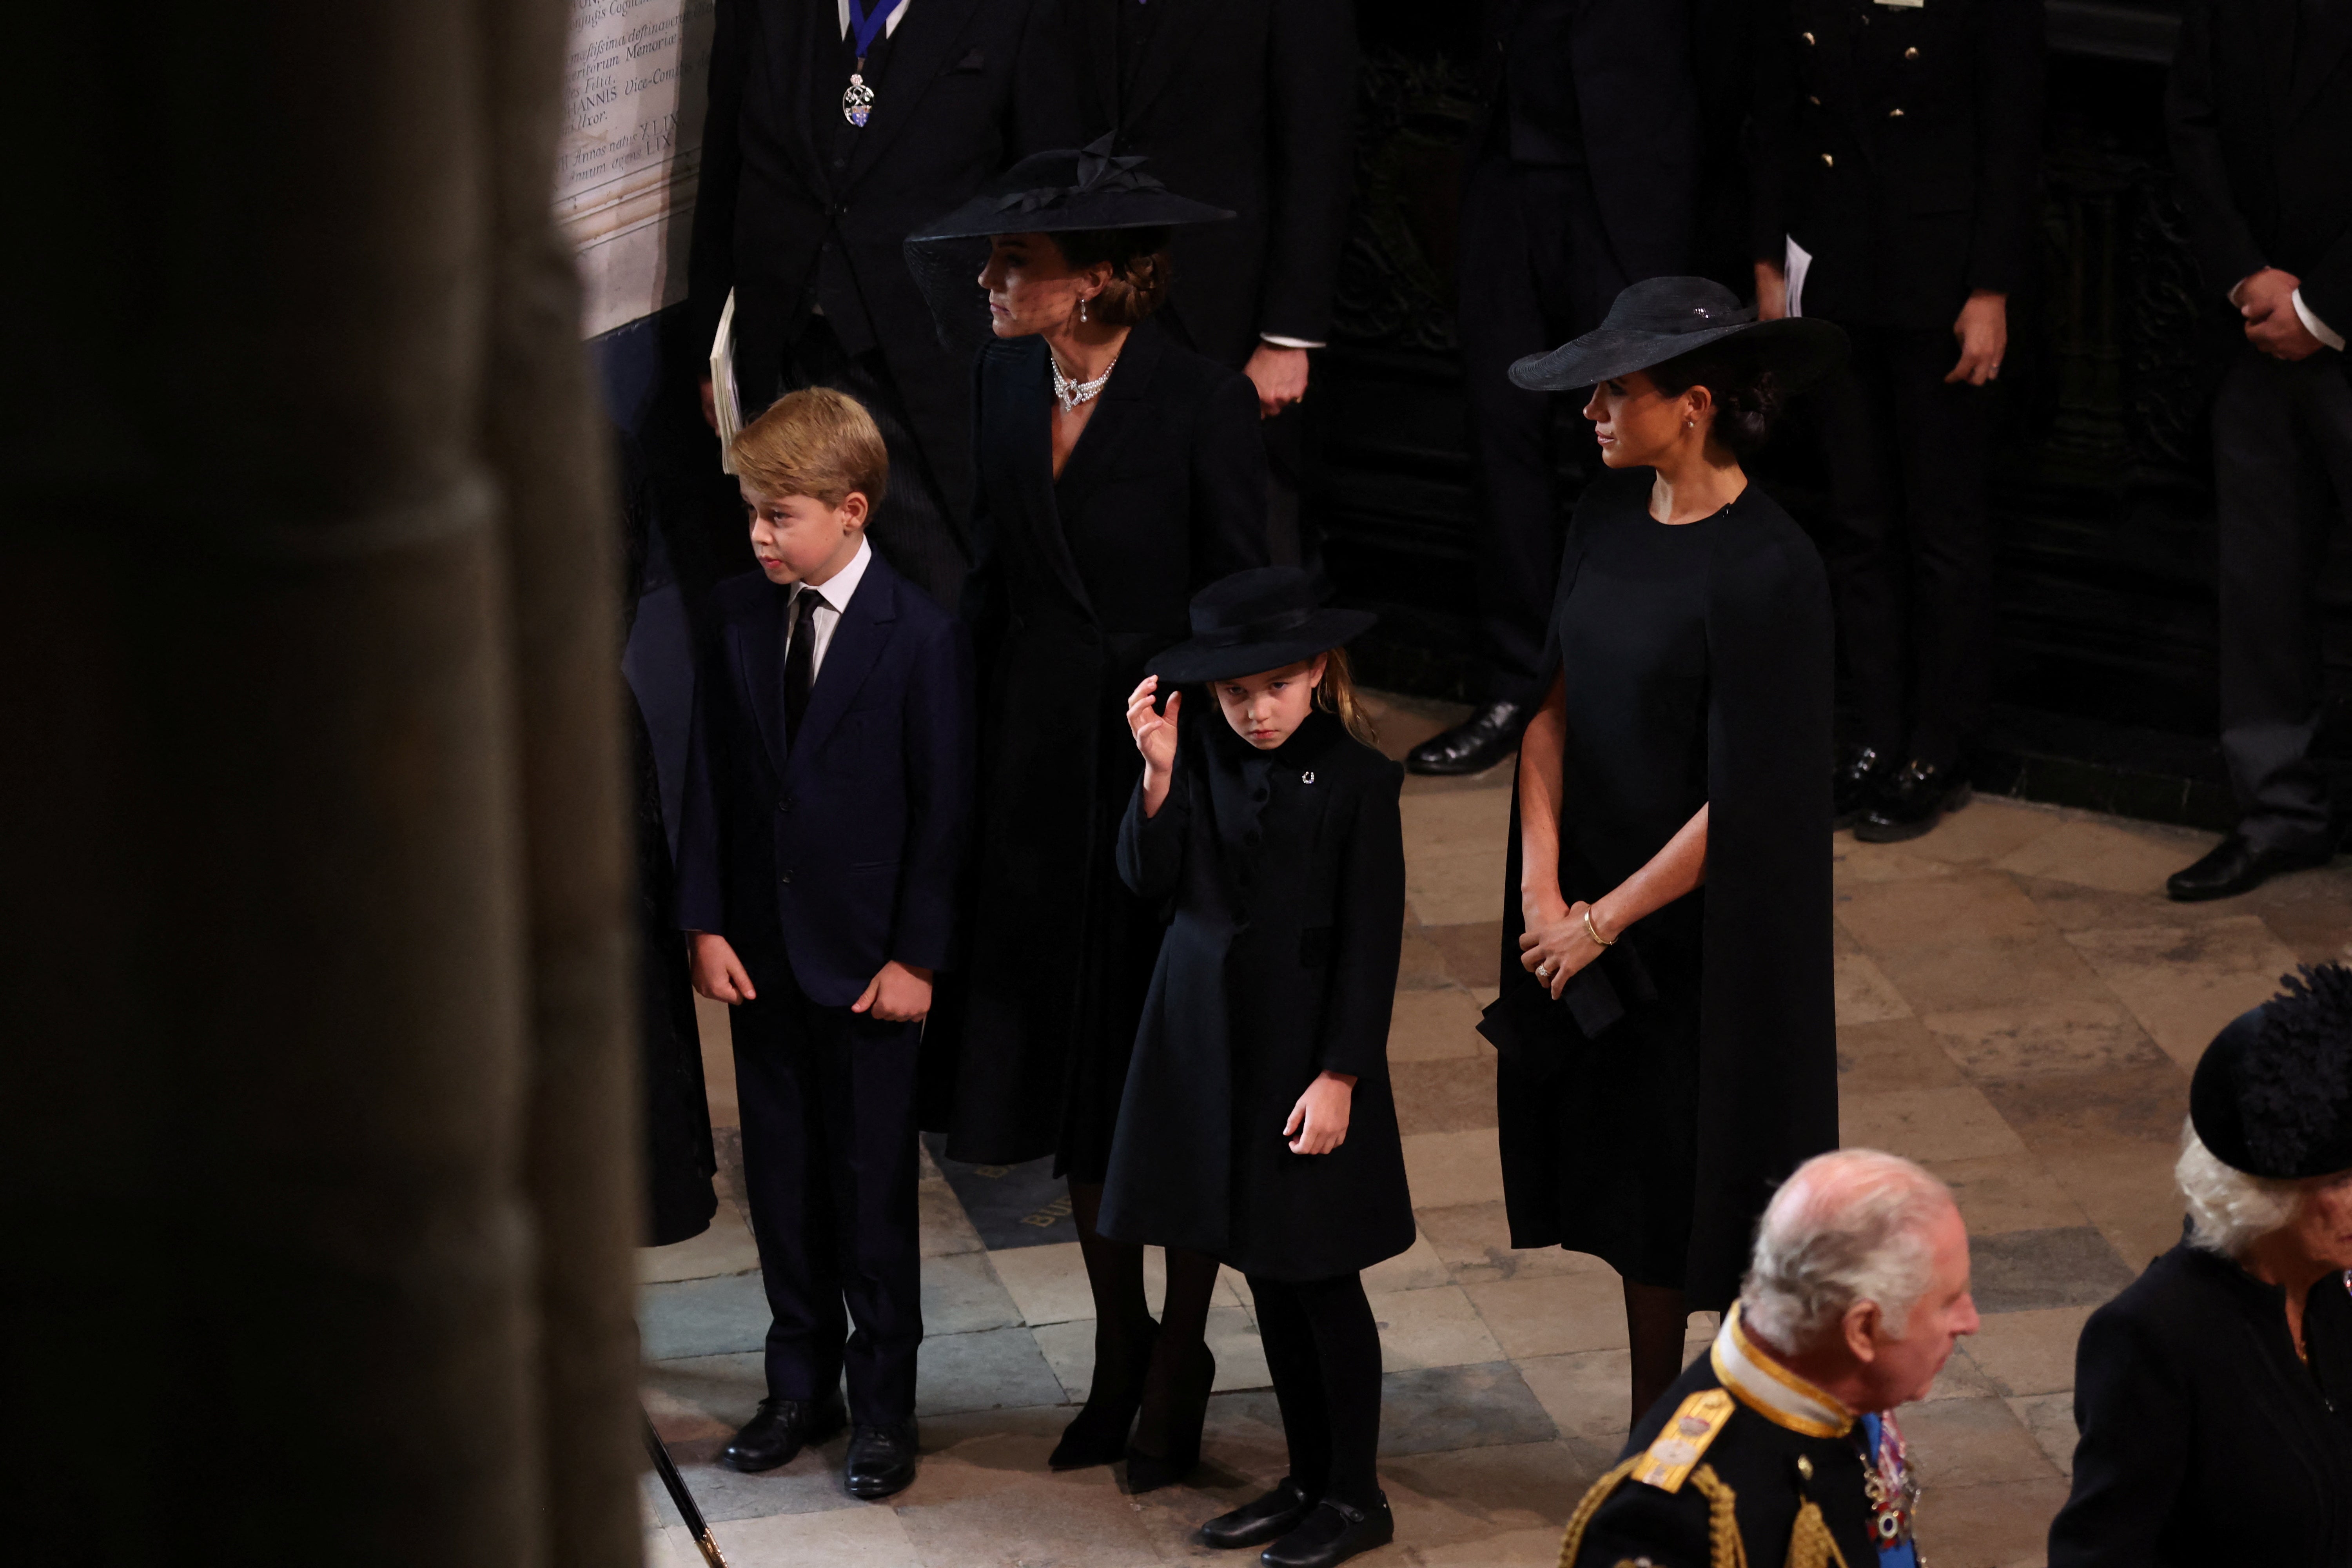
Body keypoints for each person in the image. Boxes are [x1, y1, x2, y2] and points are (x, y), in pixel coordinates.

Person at [908, 146, 1270, 1486]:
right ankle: (1118, 1353)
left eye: (1019, 265)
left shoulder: (1201, 404)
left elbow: (1241, 607)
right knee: (1068, 1080)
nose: (992, 281)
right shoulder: (1003, 375)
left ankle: (1179, 1356)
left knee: (1151, 1079)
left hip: (1151, 781)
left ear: (1100, 283)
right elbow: (997, 578)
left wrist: (1207, 775)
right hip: (1029, 778)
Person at [1485, 276, 1846, 1423]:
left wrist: (1603, 919)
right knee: (1629, 1184)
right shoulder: (1599, 516)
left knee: (1714, 1174)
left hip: (1708, 934)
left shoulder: (1770, 566)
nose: (1591, 409)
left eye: (1613, 390)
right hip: (1590, 897)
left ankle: (1753, 1428)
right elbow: (1544, 705)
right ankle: (1651, 1422)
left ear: (1691, 404)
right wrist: (1542, 888)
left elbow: (1751, 795)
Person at [674, 389, 975, 1499]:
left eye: (779, 514)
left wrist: (917, 958)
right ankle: (796, 1387)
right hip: (763, 958)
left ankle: (884, 1410)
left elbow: (944, 815)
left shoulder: (922, 637)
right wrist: (705, 920)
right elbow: (713, 778)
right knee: (786, 1186)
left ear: (851, 512)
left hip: (869, 970)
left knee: (869, 1194)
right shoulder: (740, 618)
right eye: (752, 511)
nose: (758, 532)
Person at [1106, 568, 1412, 1568]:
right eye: (1237, 694)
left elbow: (1371, 945)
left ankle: (1356, 1494)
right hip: (1208, 1045)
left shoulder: (1360, 780)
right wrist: (1154, 773)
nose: (1258, 710)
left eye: (1276, 686)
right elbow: (1149, 882)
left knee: (1319, 1275)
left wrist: (1341, 1077)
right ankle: (1308, 1476)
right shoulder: (1193, 755)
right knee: (1266, 1274)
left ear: (1317, 673)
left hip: (1302, 1056)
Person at [1750, 0, 2045, 842]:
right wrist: (1768, 263)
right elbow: (1771, 120)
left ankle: (1939, 746)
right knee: (1858, 520)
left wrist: (1991, 291)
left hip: (1939, 281)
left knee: (1942, 528)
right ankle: (1873, 735)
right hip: (1833, 268)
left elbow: (2012, 141)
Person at [685, 0, 1080, 610]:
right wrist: (712, 355)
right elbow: (724, 171)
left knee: (939, 599)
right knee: (800, 608)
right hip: (783, 357)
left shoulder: (1017, 15)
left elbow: (1050, 204)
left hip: (931, 378)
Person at [1406, 0, 1700, 778]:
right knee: (1502, 431)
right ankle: (1515, 687)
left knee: (1628, 445)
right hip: (1506, 172)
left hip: (1635, 185)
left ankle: (1626, 695)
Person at [2048, 963, 2352, 1563]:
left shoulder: (2334, 1292)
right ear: (2269, 1197)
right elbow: (2101, 1553)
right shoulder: (2154, 1337)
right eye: (2342, 1180)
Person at [1561, 1149, 1978, 1567]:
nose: (1970, 1321)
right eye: (1948, 1302)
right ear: (1862, 1330)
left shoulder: (1845, 1385)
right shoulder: (1675, 1522)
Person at [2159, 0, 2352, 900]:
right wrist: (2248, 279)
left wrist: (2322, 309)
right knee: (2261, 584)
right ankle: (2279, 813)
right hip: (2251, 328)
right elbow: (2190, 120)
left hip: (2331, 318)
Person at [1063, 0, 1358, 566]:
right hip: (1091, 297)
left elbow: (1318, 146)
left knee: (1250, 563)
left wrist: (1288, 336)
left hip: (1231, 317)